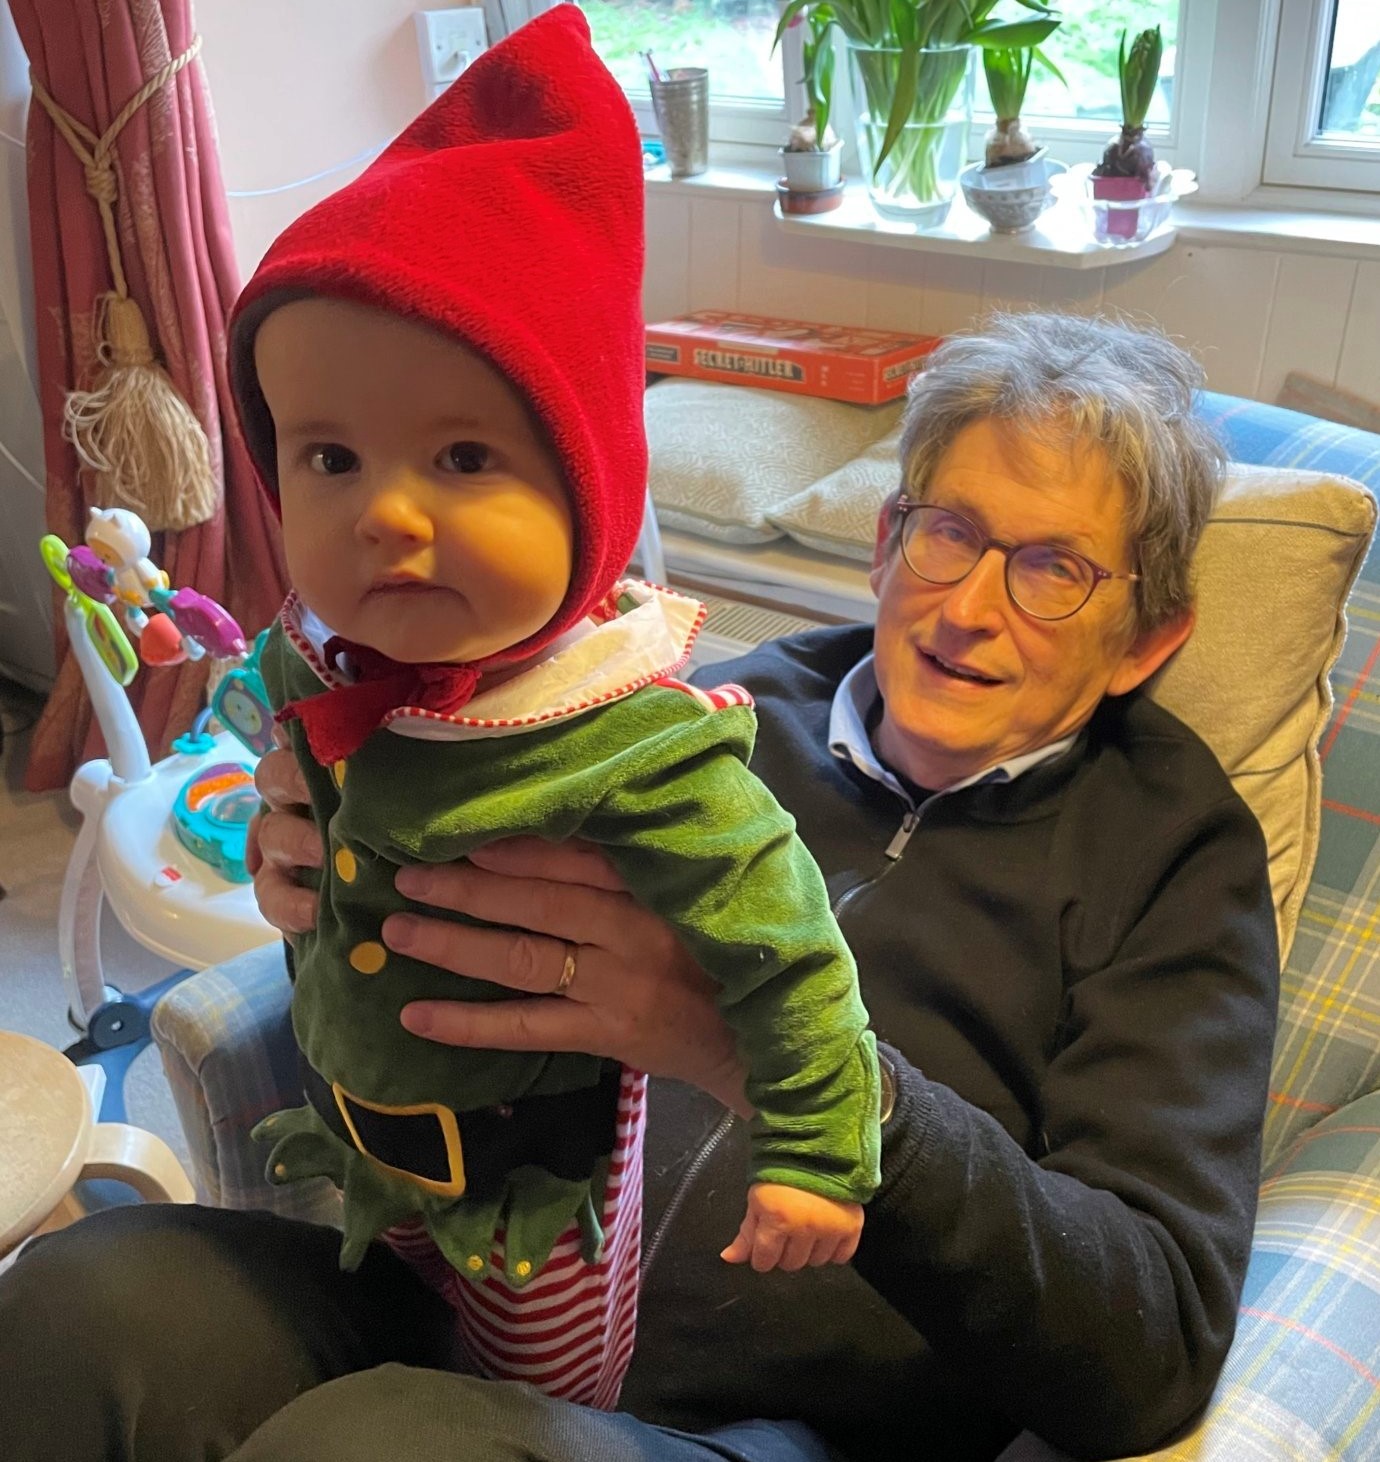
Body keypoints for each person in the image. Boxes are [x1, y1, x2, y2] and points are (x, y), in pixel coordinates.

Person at [0, 306, 1279, 1462]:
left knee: (389, 1444)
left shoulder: (1171, 856)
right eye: (950, 533)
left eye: (1056, 570)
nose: (973, 609)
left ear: (1146, 639)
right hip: (488, 1278)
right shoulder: (691, 717)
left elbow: (1150, 1348)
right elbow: (438, 982)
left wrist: (788, 1079)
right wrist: (320, 888)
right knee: (85, 1300)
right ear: (888, 543)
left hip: (794, 1427)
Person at [219, 2, 879, 1411]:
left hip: (537, 1193)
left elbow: (792, 946)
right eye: (328, 457)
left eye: (462, 456)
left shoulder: (628, 737)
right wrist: (273, 798)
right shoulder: (329, 653)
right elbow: (266, 701)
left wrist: (821, 1151)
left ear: (588, 495)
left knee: (529, 1407)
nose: (384, 516)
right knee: (371, 1332)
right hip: (357, 1123)